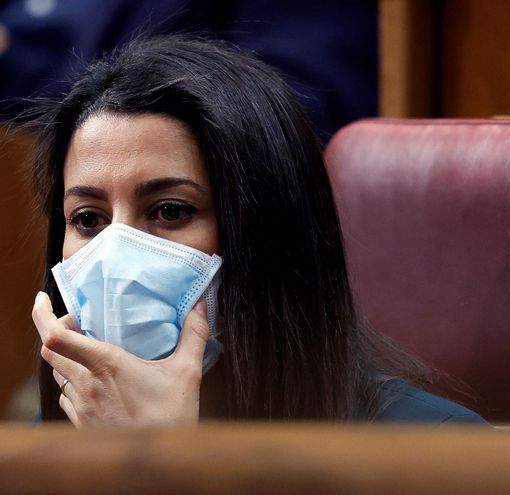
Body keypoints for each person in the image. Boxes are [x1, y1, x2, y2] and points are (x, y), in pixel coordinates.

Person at [28, 35, 485, 427]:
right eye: (88, 219)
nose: (117, 256)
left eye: (170, 210)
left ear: (267, 231)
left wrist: (154, 463)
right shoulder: (51, 442)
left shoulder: (438, 447)